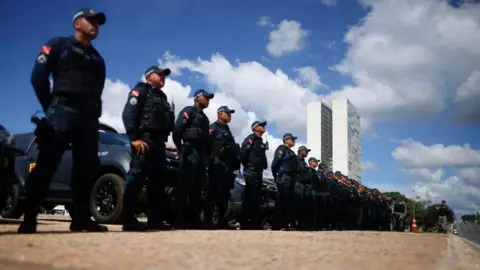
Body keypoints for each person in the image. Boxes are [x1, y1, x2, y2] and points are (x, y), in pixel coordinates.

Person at [18, 8, 108, 234]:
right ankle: (29, 217)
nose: (96, 25)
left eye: (98, 23)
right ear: (77, 23)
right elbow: (38, 76)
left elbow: (98, 91)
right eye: (91, 21)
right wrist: (50, 109)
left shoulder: (98, 59)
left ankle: (81, 219)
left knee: (86, 169)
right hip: (62, 111)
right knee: (47, 163)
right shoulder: (58, 44)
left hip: (88, 119)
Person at [121, 66, 174, 231]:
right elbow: (129, 113)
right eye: (160, 74)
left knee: (158, 183)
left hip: (159, 143)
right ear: (150, 77)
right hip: (144, 140)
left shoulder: (162, 97)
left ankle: (154, 220)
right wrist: (133, 138)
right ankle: (128, 218)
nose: (163, 77)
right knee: (136, 178)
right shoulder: (140, 91)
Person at [172, 89, 213, 229]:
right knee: (184, 185)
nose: (208, 100)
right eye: (206, 97)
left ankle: (193, 219)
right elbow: (177, 130)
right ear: (197, 98)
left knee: (198, 187)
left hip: (201, 154)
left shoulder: (206, 119)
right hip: (189, 150)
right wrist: (180, 147)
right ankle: (178, 219)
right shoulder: (188, 111)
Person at [204, 106, 240, 229]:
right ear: (220, 115)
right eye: (228, 113)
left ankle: (221, 221)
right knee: (212, 194)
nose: (230, 116)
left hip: (227, 167)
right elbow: (206, 147)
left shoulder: (228, 130)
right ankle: (207, 221)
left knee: (224, 196)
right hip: (216, 164)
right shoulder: (213, 129)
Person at [239, 121, 268, 229]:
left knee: (257, 198)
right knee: (249, 197)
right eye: (261, 125)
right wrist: (248, 166)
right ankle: (244, 222)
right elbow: (243, 154)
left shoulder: (260, 141)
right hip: (250, 171)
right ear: (255, 128)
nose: (264, 127)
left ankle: (255, 223)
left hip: (259, 172)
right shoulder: (250, 139)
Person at [271, 133, 298, 230]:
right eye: (292, 139)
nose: (294, 141)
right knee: (281, 202)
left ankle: (285, 224)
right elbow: (275, 164)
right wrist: (275, 175)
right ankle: (277, 225)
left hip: (291, 179)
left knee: (289, 203)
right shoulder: (281, 149)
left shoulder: (291, 152)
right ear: (285, 140)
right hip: (284, 178)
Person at [294, 146, 314, 230]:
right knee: (298, 205)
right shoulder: (296, 159)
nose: (307, 153)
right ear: (300, 151)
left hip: (304, 185)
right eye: (306, 151)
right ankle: (298, 224)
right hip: (298, 184)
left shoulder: (303, 162)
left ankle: (303, 225)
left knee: (304, 206)